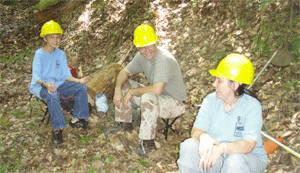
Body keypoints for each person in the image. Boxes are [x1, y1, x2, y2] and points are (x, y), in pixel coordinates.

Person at [177, 54, 268, 172]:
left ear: (235, 85)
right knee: (189, 146)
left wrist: (223, 148)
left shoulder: (251, 106)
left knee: (234, 161)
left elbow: (249, 144)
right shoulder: (210, 100)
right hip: (217, 156)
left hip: (245, 160)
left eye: (219, 81)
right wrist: (203, 136)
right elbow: (196, 129)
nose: (214, 84)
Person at [109, 24, 187, 157]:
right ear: (138, 47)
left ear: (155, 42)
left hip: (175, 103)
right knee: (124, 84)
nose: (147, 50)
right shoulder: (142, 57)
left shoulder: (162, 59)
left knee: (147, 97)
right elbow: (124, 72)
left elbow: (156, 89)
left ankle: (147, 144)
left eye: (150, 45)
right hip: (160, 98)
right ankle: (124, 123)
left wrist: (132, 92)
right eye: (142, 47)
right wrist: (117, 89)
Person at [29, 20, 91, 146]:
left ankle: (76, 119)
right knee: (53, 94)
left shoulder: (61, 54)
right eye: (52, 37)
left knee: (81, 87)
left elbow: (65, 75)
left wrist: (79, 80)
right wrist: (46, 85)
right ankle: (58, 129)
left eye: (58, 37)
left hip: (58, 83)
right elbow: (36, 76)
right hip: (41, 85)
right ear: (45, 39)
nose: (55, 40)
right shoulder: (39, 54)